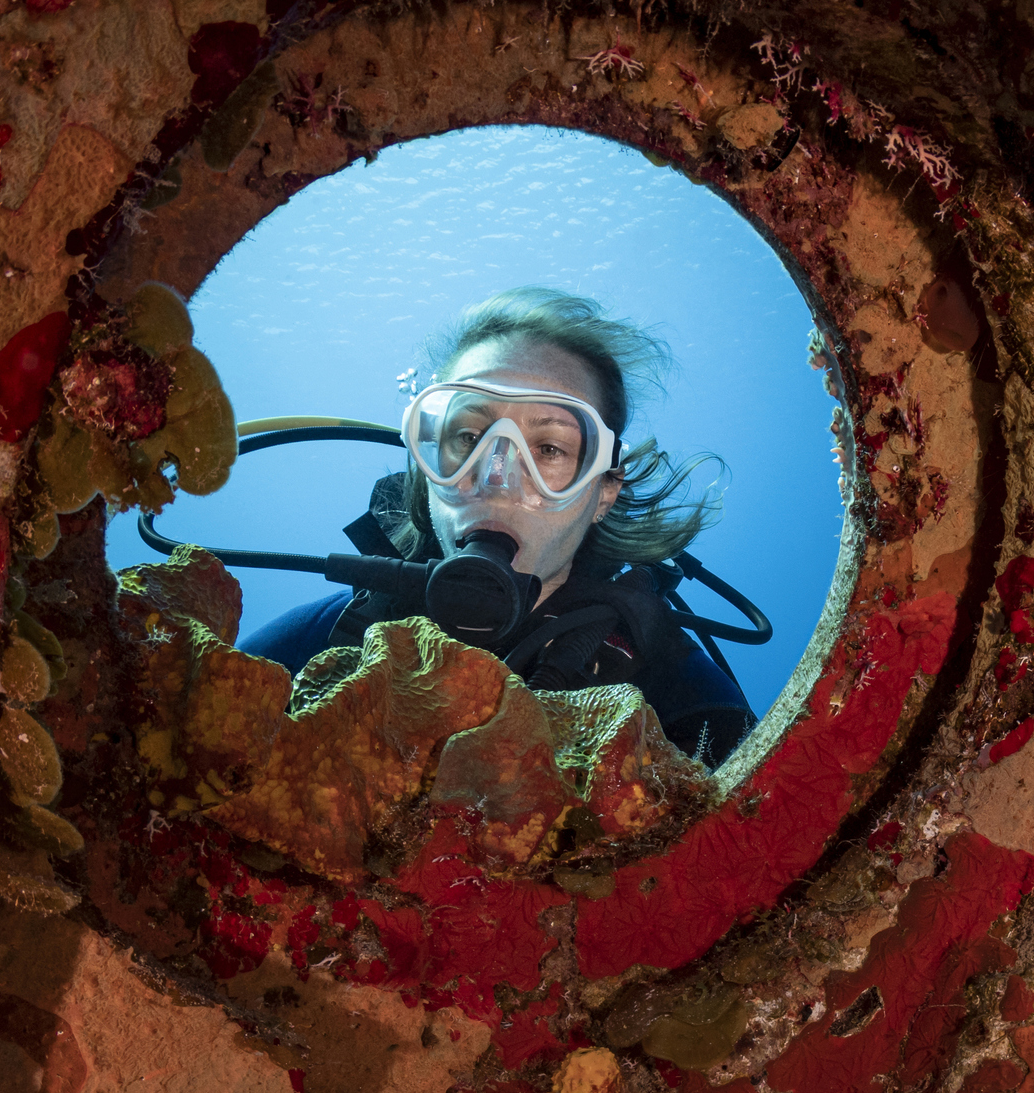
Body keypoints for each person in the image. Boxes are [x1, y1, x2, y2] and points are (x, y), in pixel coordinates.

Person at [239, 290, 757, 768]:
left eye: (550, 449)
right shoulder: (326, 634)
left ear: (604, 491)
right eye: (468, 436)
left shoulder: (673, 684)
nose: (496, 479)